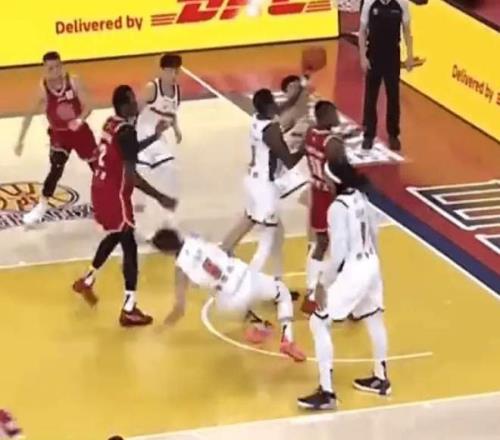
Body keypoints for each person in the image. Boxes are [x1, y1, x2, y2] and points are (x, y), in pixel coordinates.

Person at [72, 85, 176, 327]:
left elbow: (127, 150)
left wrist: (154, 137)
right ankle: (129, 308)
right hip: (115, 195)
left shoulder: (112, 123)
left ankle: (87, 280)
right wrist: (160, 196)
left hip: (100, 188)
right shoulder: (127, 131)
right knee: (129, 246)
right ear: (124, 105)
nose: (136, 104)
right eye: (132, 101)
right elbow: (132, 176)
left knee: (116, 234)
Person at [297, 159, 390, 410]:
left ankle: (327, 392)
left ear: (333, 180)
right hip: (371, 262)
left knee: (318, 321)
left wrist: (322, 284)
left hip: (355, 269)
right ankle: (381, 378)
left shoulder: (337, 208)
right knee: (374, 318)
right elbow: (374, 232)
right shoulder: (360, 196)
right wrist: (375, 268)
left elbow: (338, 254)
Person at [220, 88, 305, 341]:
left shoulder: (258, 119)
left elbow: (282, 109)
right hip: (264, 190)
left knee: (276, 235)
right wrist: (306, 145)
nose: (277, 107)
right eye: (274, 105)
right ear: (268, 108)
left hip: (254, 183)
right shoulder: (270, 130)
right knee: (266, 243)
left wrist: (301, 89)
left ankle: (273, 280)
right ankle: (245, 292)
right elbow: (289, 161)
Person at [151, 228, 306, 362]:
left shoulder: (180, 270)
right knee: (283, 293)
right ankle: (287, 339)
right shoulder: (195, 237)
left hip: (230, 302)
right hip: (246, 279)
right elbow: (225, 245)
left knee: (224, 303)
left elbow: (179, 309)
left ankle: (259, 326)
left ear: (165, 252)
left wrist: (164, 326)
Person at [14, 51, 98, 226]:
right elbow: (29, 115)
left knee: (97, 167)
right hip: (60, 134)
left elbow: (89, 105)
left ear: (62, 66)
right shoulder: (42, 89)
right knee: (56, 168)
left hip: (80, 132)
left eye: (58, 66)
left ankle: (109, 199)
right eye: (50, 68)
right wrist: (20, 140)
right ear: (44, 69)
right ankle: (41, 206)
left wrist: (79, 120)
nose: (55, 71)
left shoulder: (73, 81)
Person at [300, 101, 345, 315]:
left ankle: (311, 290)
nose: (337, 116)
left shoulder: (310, 133)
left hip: (316, 192)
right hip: (329, 196)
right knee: (339, 246)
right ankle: (332, 292)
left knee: (321, 243)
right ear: (325, 116)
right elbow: (337, 175)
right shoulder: (332, 143)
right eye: (334, 113)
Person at [134, 53, 183, 239]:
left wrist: (176, 129)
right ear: (162, 70)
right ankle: (138, 224)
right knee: (140, 179)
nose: (173, 75)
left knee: (171, 172)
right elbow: (134, 110)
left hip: (157, 141)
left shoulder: (177, 91)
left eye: (176, 71)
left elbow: (172, 113)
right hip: (141, 138)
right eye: (169, 71)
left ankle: (169, 219)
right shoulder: (152, 88)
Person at [359, 0, 414, 151]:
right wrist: (363, 56)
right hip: (374, 55)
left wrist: (410, 55)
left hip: (392, 56)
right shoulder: (369, 3)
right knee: (370, 98)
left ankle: (393, 135)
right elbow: (362, 31)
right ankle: (368, 135)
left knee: (393, 97)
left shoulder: (401, 4)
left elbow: (407, 31)